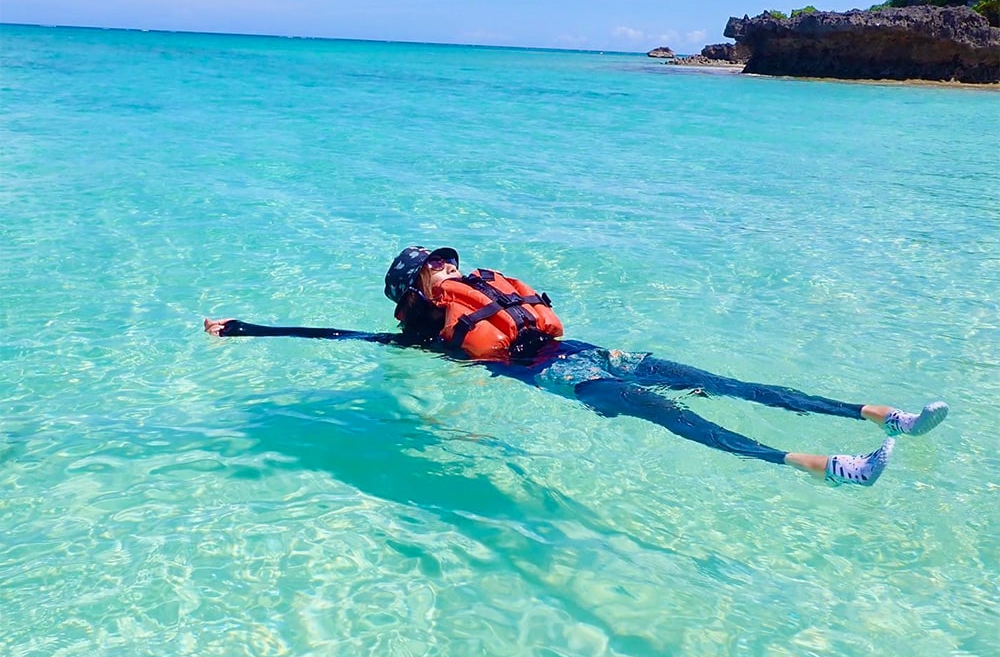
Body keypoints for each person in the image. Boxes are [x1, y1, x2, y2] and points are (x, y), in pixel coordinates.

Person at [204, 245, 949, 487]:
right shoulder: (421, 339)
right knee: (681, 416)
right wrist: (242, 328)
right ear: (417, 294)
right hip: (563, 377)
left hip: (586, 351)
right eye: (434, 270)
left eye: (446, 261)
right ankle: (830, 467)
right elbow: (330, 334)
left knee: (723, 381)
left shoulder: (476, 293)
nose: (449, 269)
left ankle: (886, 415)